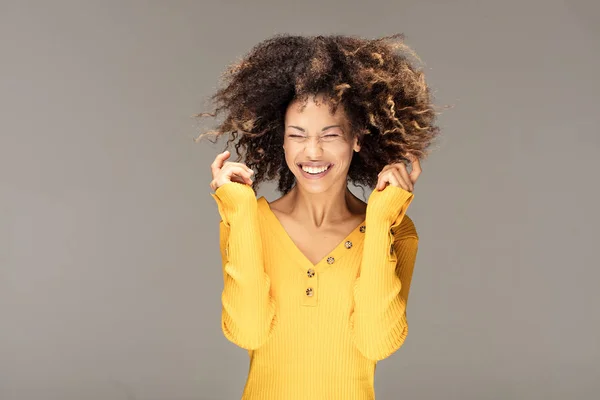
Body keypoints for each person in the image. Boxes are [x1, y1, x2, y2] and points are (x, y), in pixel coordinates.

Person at [196, 33, 440, 399]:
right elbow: (247, 331)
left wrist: (380, 219)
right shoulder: (247, 222)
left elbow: (377, 342)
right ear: (282, 140)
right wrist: (239, 209)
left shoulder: (394, 231)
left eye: (329, 134)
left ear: (357, 138)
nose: (312, 151)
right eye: (298, 135)